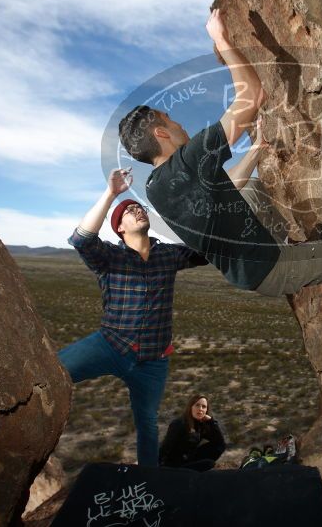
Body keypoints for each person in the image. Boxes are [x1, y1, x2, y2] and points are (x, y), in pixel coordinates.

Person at [117, 9, 322, 373]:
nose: (180, 124)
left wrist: (256, 152)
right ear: (161, 134)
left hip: (252, 271)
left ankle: (307, 250)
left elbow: (225, 189)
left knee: (253, 192)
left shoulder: (157, 187)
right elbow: (253, 94)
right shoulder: (186, 161)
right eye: (172, 121)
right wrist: (222, 41)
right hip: (274, 268)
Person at [57, 167, 208, 467]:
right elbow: (81, 239)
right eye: (129, 211)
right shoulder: (109, 257)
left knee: (148, 425)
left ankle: (148, 484)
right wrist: (112, 193)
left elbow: (207, 247)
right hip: (110, 345)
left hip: (153, 361)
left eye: (139, 207)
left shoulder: (168, 255)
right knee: (51, 374)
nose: (137, 210)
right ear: (120, 229)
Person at [159, 394, 226, 472]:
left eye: (204, 407)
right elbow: (166, 446)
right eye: (197, 405)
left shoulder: (201, 425)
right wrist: (160, 468)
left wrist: (212, 422)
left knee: (217, 449)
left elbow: (220, 443)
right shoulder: (179, 424)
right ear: (190, 407)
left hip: (189, 459)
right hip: (175, 465)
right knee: (208, 464)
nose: (200, 409)